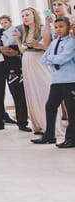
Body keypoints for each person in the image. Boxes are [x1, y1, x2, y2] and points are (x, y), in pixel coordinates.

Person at [32, 17, 75, 147]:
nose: (58, 29)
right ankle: (49, 135)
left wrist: (52, 58)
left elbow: (64, 58)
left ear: (68, 27)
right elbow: (44, 59)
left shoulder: (72, 42)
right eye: (56, 27)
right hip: (56, 80)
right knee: (50, 106)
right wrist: (53, 58)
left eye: (61, 26)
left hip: (70, 80)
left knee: (71, 110)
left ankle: (71, 139)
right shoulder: (54, 42)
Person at [14, 8, 53, 136]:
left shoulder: (42, 28)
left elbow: (47, 46)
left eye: (27, 15)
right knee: (32, 93)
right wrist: (18, 40)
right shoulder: (26, 31)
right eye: (23, 16)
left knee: (44, 91)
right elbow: (23, 50)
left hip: (39, 61)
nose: (25, 18)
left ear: (34, 15)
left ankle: (49, 125)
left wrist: (37, 44)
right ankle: (38, 125)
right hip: (27, 62)